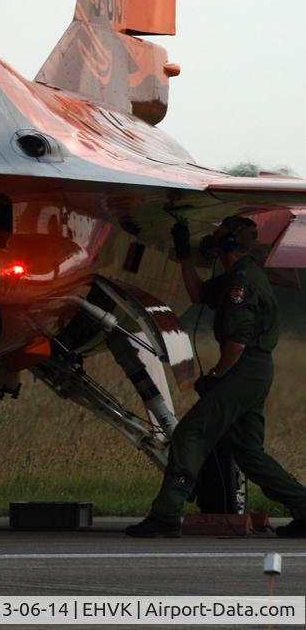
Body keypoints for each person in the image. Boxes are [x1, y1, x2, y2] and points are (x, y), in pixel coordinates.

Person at [126, 215, 306, 538]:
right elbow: (197, 295)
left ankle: (166, 514)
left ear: (229, 243)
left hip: (243, 368)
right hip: (253, 371)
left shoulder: (242, 283)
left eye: (219, 235)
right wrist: (183, 255)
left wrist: (215, 376)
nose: (213, 239)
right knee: (249, 453)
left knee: (190, 434)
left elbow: (236, 343)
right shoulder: (237, 275)